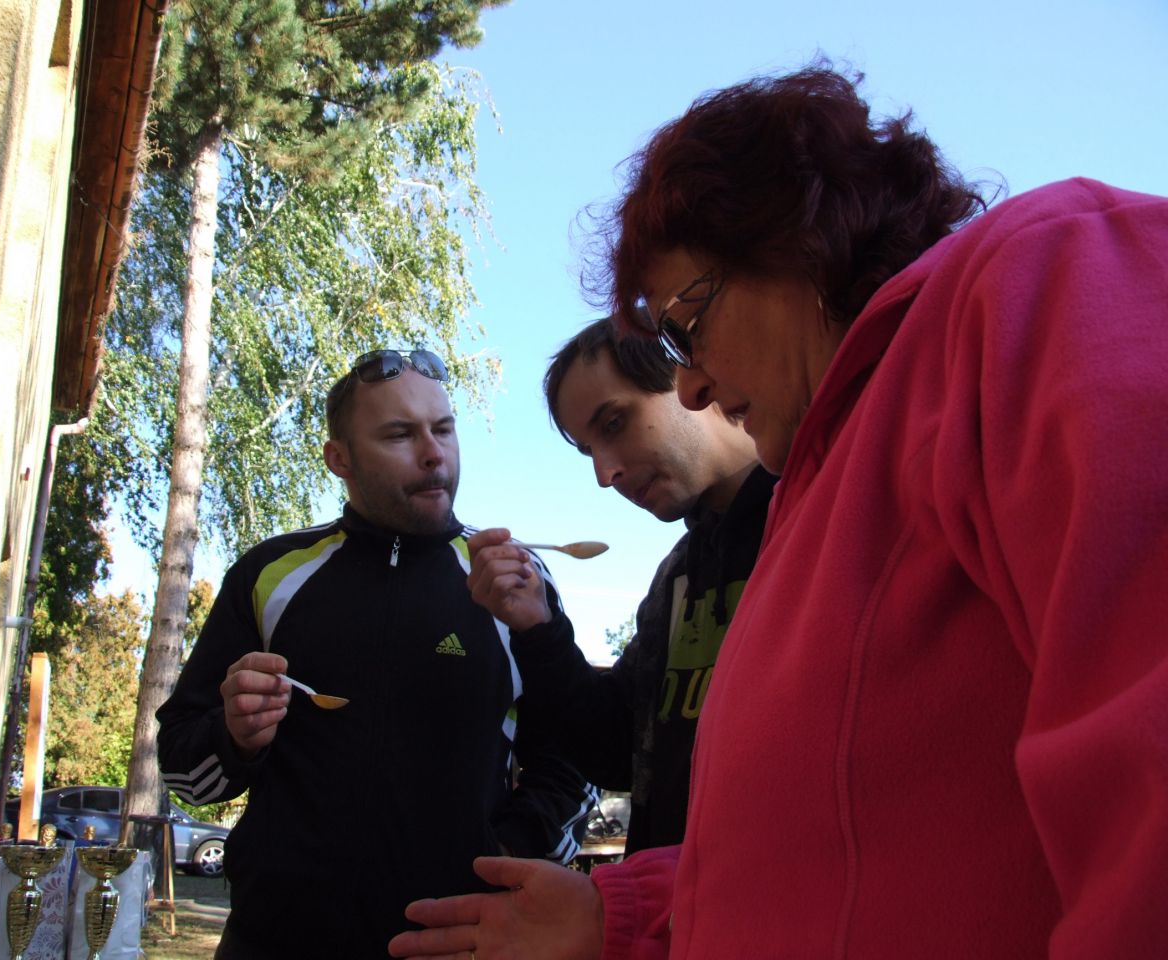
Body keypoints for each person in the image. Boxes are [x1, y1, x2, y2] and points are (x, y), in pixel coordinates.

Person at [389, 65, 1168, 959]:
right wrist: (628, 914)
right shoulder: (781, 517)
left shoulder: (1041, 276)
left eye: (686, 328)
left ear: (790, 238)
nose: (694, 383)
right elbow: (842, 838)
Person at [156, 348, 596, 959]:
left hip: (453, 942)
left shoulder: (512, 578)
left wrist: (505, 853)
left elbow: (575, 756)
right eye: (399, 435)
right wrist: (234, 736)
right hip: (272, 941)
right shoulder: (270, 574)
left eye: (444, 429)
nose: (433, 453)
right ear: (340, 459)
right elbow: (183, 771)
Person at [466, 316, 774, 854]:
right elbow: (617, 752)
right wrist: (538, 628)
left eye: (614, 424)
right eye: (589, 451)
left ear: (690, 376)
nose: (604, 475)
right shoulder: (677, 578)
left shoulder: (828, 521)